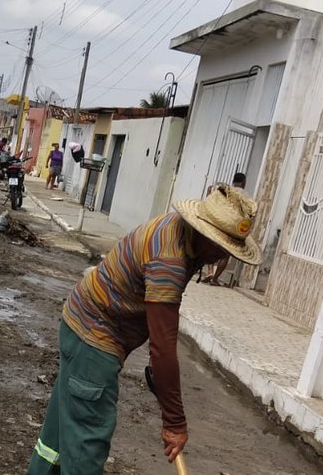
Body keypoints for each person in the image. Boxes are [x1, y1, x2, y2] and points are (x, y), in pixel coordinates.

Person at [27, 184, 261, 474]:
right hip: (95, 338)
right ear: (203, 232)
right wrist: (174, 423)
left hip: (80, 326)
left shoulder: (178, 232)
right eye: (220, 247)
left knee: (58, 437)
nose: (220, 257)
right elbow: (163, 348)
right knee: (87, 444)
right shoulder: (169, 260)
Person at [201, 172, 247, 286]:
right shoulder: (245, 196)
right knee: (225, 254)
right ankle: (215, 278)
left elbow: (213, 203)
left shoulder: (226, 191)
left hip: (220, 223)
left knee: (212, 247)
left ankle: (210, 272)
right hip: (232, 228)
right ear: (243, 183)